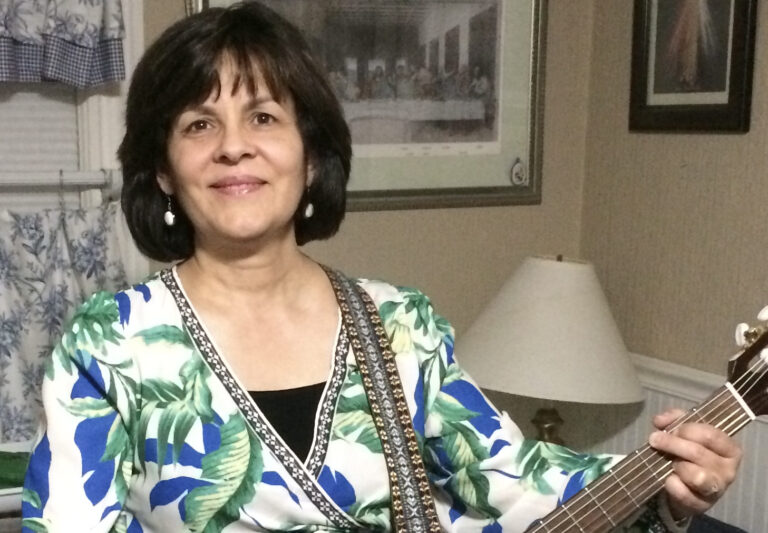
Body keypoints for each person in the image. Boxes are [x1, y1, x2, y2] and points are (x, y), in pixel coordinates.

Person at [22, 2, 741, 532]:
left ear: (311, 156)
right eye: (199, 124)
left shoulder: (401, 323)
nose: (233, 146)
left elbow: (511, 480)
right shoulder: (105, 343)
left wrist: (666, 476)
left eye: (265, 117)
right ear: (165, 172)